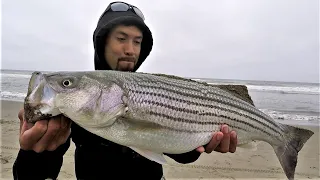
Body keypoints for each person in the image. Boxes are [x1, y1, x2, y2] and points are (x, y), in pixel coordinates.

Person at [12, 1, 238, 180]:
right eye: (121, 39)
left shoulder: (152, 91)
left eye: (137, 42)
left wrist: (200, 144)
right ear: (102, 43)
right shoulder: (75, 103)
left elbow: (176, 151)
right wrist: (35, 152)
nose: (130, 50)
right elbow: (31, 176)